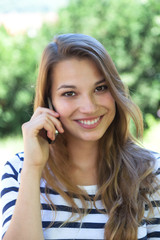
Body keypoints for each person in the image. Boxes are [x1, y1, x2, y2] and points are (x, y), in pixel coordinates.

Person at [1, 33, 160, 240]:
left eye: (100, 88)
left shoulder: (152, 173)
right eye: (69, 93)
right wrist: (33, 167)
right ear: (49, 102)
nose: (89, 107)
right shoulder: (19, 170)